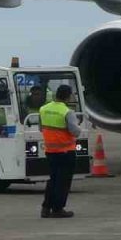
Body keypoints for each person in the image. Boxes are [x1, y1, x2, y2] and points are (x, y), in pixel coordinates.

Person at [39, 84, 82, 218]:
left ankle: (46, 208)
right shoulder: (67, 112)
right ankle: (58, 209)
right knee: (63, 182)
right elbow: (75, 132)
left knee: (53, 180)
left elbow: (41, 128)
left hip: (50, 151)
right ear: (68, 96)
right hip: (65, 151)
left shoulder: (43, 109)